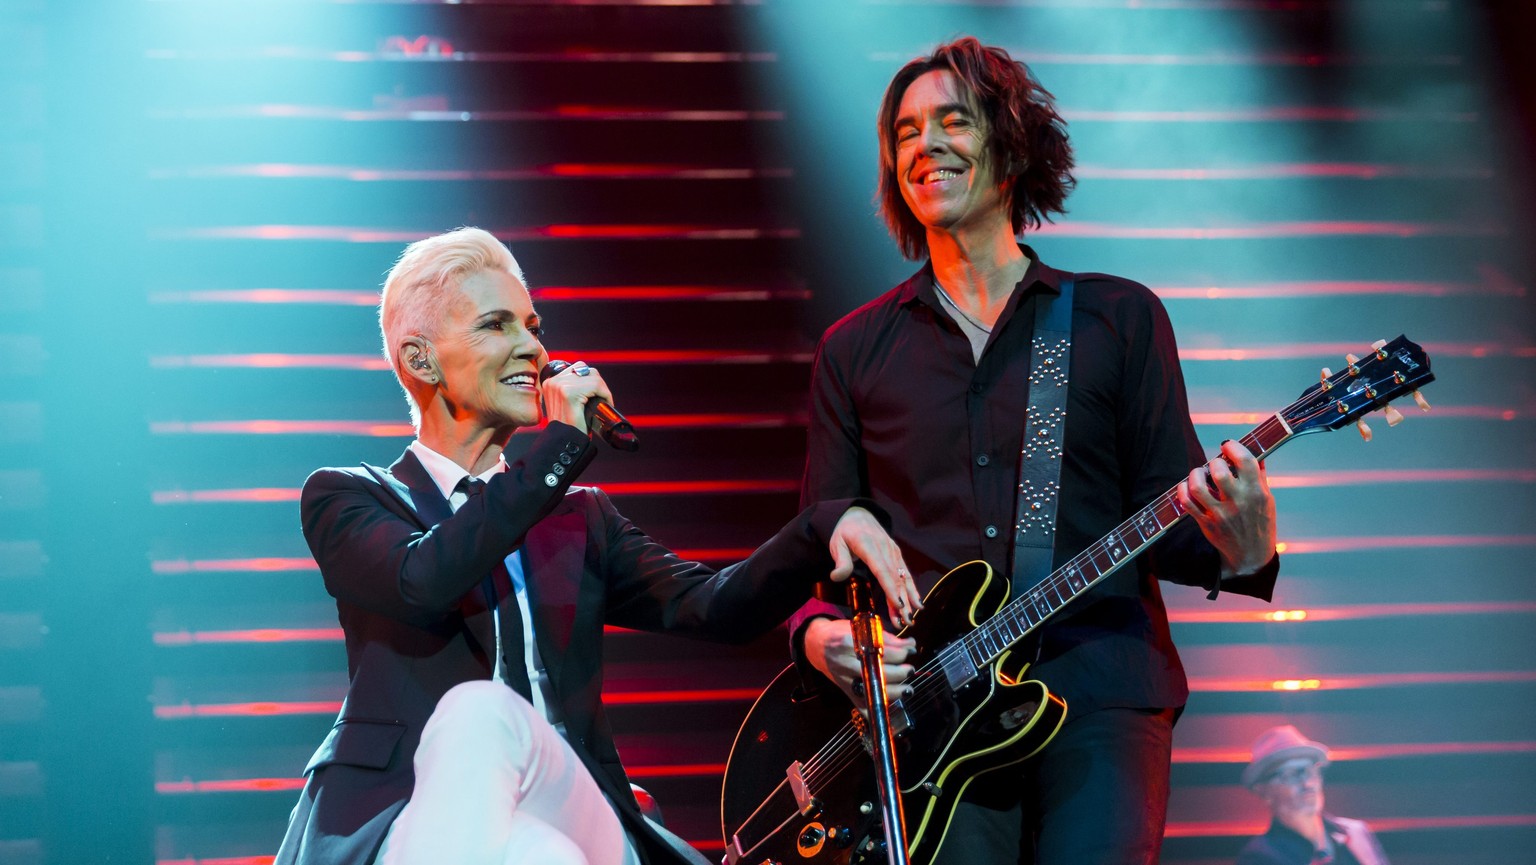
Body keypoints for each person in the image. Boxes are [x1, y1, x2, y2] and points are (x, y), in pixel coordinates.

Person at [273, 227, 923, 865]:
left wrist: (823, 524)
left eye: (534, 326)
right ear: (421, 359)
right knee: (520, 809)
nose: (533, 348)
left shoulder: (580, 521)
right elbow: (423, 579)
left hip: (572, 801)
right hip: (415, 817)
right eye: (497, 325)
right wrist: (560, 446)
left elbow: (718, 605)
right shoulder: (348, 498)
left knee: (531, 807)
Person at [787, 38, 1281, 864]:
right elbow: (825, 550)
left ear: (1012, 147)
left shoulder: (1114, 320)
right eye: (905, 133)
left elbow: (1176, 519)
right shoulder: (854, 350)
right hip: (939, 731)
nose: (924, 145)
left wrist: (1248, 549)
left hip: (1098, 694)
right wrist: (818, 635)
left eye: (952, 122)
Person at [1238, 726, 1390, 865]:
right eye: (1290, 774)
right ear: (1264, 791)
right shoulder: (1259, 857)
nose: (1307, 783)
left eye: (1311, 771)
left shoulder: (1357, 833)